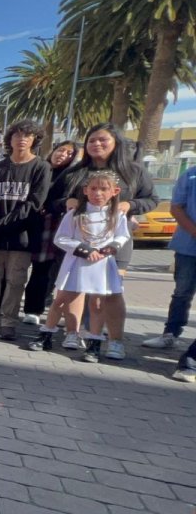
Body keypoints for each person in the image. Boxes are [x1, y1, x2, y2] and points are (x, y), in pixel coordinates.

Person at [53, 123, 157, 358]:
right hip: (79, 243)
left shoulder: (133, 171)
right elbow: (52, 200)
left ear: (116, 143)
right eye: (91, 140)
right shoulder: (74, 172)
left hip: (114, 245)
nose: (96, 144)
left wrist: (131, 205)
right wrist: (65, 202)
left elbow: (151, 199)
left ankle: (115, 340)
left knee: (111, 293)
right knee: (74, 289)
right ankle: (74, 334)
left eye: (103, 140)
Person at [29, 171, 130, 362]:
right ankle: (46, 334)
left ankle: (94, 343)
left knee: (97, 304)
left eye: (103, 189)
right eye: (93, 188)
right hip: (76, 263)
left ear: (114, 191)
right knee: (61, 300)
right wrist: (83, 249)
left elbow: (122, 235)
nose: (98, 193)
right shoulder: (75, 214)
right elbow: (61, 238)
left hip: (101, 264)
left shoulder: (117, 216)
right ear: (85, 190)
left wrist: (112, 246)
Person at [0, 119, 51, 341]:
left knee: (15, 282)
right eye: (17, 135)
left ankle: (8, 322)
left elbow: (33, 205)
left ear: (35, 139)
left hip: (22, 238)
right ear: (9, 140)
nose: (22, 139)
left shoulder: (41, 167)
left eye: (27, 135)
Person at [24, 140, 80, 325]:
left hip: (55, 225)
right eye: (60, 150)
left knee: (50, 271)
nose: (63, 154)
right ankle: (21, 308)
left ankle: (43, 310)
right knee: (29, 269)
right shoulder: (40, 168)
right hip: (33, 224)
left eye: (69, 153)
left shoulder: (71, 176)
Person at [144, 164, 196, 352]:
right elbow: (176, 208)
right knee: (182, 292)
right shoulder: (191, 175)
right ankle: (171, 334)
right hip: (188, 247)